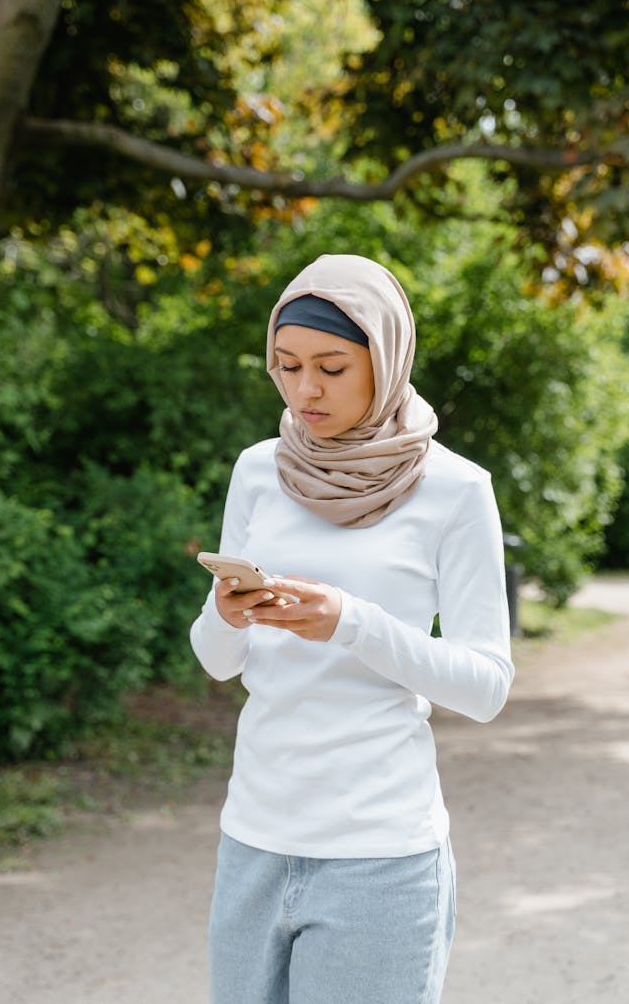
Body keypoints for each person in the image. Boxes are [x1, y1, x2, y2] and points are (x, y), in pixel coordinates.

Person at [190, 252, 514, 1004]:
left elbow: (488, 687)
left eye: (332, 367)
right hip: (254, 839)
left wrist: (351, 623)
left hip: (381, 856)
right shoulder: (259, 470)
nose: (305, 389)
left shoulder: (456, 490)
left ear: (388, 357)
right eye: (286, 364)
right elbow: (217, 662)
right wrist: (227, 611)